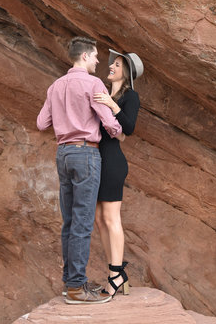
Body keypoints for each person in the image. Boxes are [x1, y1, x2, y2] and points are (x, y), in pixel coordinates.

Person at [36, 37, 125, 305]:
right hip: (86, 153)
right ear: (84, 56)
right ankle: (76, 288)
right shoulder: (93, 84)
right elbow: (111, 124)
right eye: (96, 55)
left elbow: (42, 123)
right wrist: (117, 127)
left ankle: (70, 284)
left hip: (63, 153)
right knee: (83, 221)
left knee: (70, 222)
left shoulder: (55, 86)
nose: (99, 61)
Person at [93, 48, 143, 297]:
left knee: (111, 218)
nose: (111, 66)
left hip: (112, 162)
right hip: (96, 160)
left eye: (117, 64)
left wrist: (112, 104)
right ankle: (114, 271)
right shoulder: (101, 91)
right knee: (99, 220)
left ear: (127, 72)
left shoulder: (129, 96)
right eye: (112, 63)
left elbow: (129, 129)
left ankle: (116, 275)